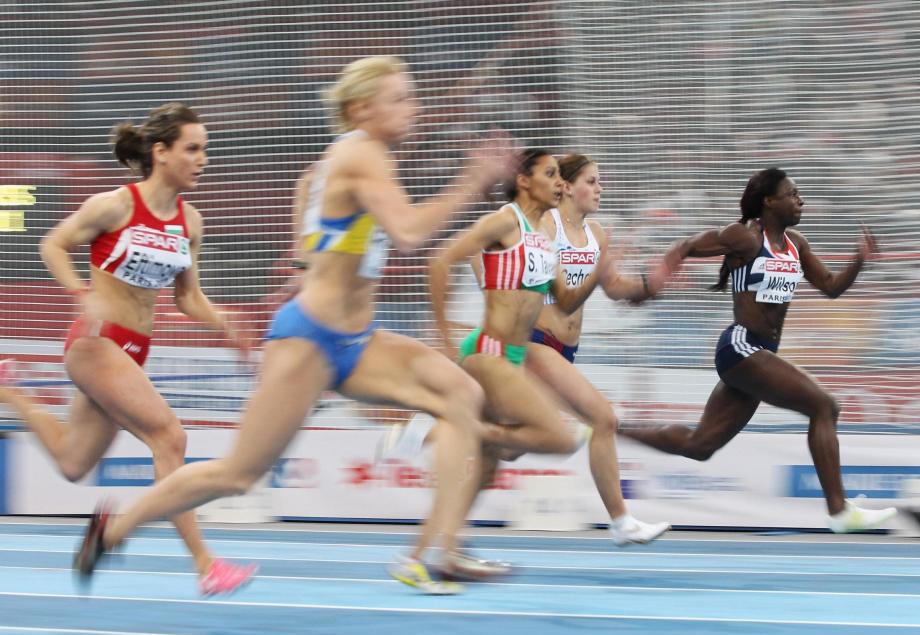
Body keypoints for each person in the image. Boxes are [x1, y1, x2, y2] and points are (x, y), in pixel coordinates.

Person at [73, 56, 514, 595]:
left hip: (358, 339)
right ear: (361, 108)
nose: (414, 108)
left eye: (413, 97)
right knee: (237, 474)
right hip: (310, 341)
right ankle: (112, 530)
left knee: (461, 396)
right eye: (400, 98)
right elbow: (407, 231)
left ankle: (434, 553)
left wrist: (318, 243)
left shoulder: (354, 159)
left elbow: (321, 225)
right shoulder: (361, 153)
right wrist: (473, 179)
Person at [0, 102, 257, 595]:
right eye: (194, 149)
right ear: (161, 152)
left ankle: (9, 392)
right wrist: (81, 294)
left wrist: (224, 320)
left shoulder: (190, 222)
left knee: (74, 464)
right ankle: (205, 565)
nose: (204, 159)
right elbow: (52, 244)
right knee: (170, 437)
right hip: (95, 345)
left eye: (206, 150)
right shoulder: (115, 205)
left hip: (133, 352)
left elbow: (188, 299)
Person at [620, 167, 897, 532]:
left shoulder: (797, 244)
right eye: (793, 194)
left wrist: (858, 261)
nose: (801, 201)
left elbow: (830, 287)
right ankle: (840, 512)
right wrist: (654, 281)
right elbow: (686, 246)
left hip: (760, 354)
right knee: (824, 405)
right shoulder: (746, 238)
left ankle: (613, 429)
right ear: (769, 201)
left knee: (700, 445)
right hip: (740, 346)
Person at [426, 149, 608, 556]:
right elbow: (439, 260)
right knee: (558, 438)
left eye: (562, 176)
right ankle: (457, 428)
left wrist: (601, 264)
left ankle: (448, 545)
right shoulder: (504, 220)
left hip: (511, 356)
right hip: (489, 351)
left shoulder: (544, 237)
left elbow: (566, 300)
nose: (560, 183)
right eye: (551, 174)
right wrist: (443, 338)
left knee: (497, 459)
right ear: (524, 181)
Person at [524, 153, 671, 544]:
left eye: (600, 182)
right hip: (535, 342)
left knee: (508, 446)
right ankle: (622, 522)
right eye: (592, 181)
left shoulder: (597, 235)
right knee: (602, 419)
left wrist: (648, 286)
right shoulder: (545, 224)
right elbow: (566, 298)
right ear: (567, 186)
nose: (599, 189)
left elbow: (614, 287)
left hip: (565, 351)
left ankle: (431, 429)